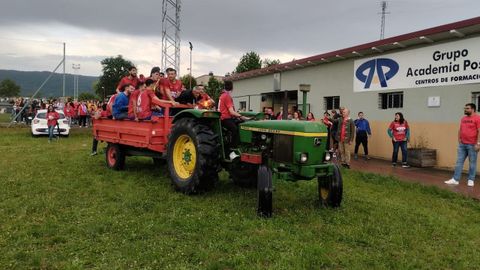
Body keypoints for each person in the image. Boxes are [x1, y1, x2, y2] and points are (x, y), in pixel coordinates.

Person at [445, 103, 480, 187]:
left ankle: (471, 180)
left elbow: (479, 131)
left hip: (472, 145)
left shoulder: (477, 118)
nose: (465, 110)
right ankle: (455, 179)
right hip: (462, 144)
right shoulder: (463, 118)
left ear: (473, 109)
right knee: (459, 162)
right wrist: (459, 139)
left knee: (472, 163)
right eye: (465, 108)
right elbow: (460, 129)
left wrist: (478, 143)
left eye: (467, 108)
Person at [218, 81, 250, 159]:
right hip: (225, 118)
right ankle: (231, 151)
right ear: (232, 88)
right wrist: (242, 116)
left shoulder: (222, 95)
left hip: (223, 118)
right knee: (235, 130)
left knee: (240, 123)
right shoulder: (227, 96)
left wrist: (239, 117)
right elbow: (231, 112)